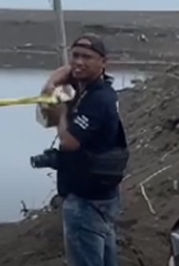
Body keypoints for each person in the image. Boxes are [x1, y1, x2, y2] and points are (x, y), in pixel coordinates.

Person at [41, 35, 129, 266]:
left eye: (87, 57)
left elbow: (70, 141)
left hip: (86, 201)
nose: (79, 62)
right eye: (75, 56)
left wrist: (62, 113)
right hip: (102, 195)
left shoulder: (99, 99)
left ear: (103, 62)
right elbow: (45, 119)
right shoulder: (85, 93)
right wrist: (51, 85)